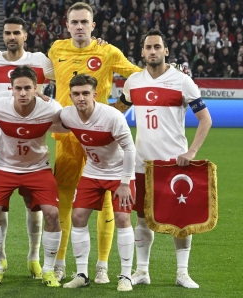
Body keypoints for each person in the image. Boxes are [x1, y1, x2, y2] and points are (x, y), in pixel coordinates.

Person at [47, 2, 142, 282]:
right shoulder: (56, 49)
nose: (79, 27)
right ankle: (62, 262)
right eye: (74, 22)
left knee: (108, 203)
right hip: (68, 135)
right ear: (67, 25)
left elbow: (138, 75)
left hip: (103, 138)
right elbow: (46, 74)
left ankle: (101, 265)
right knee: (65, 199)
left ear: (93, 25)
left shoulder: (107, 51)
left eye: (83, 22)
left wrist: (122, 103)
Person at [118, 29, 212, 289]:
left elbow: (206, 120)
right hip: (142, 163)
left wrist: (190, 152)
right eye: (148, 48)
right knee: (141, 218)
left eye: (157, 47)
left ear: (166, 51)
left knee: (181, 220)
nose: (152, 51)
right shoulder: (133, 82)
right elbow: (118, 112)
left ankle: (182, 273)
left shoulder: (182, 81)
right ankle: (142, 271)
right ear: (142, 52)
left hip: (174, 164)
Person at [0, 16, 55, 279]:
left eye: (16, 33)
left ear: (25, 35)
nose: (11, 37)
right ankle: (2, 258)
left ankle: (33, 257)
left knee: (36, 206)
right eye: (7, 33)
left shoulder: (41, 61)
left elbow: (66, 78)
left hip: (33, 144)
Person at [0, 65, 66, 288]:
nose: (22, 93)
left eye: (27, 88)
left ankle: (46, 269)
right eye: (18, 88)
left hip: (38, 168)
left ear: (36, 88)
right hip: (4, 167)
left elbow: (70, 123)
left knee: (51, 213)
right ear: (11, 89)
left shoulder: (50, 108)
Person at [59, 74, 136, 291]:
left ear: (95, 94)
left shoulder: (112, 116)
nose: (80, 98)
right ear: (71, 95)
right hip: (92, 172)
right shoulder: (68, 115)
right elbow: (51, 120)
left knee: (122, 218)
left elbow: (130, 149)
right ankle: (82, 274)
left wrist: (125, 183)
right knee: (78, 216)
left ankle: (125, 275)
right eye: (76, 94)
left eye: (85, 93)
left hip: (120, 173)